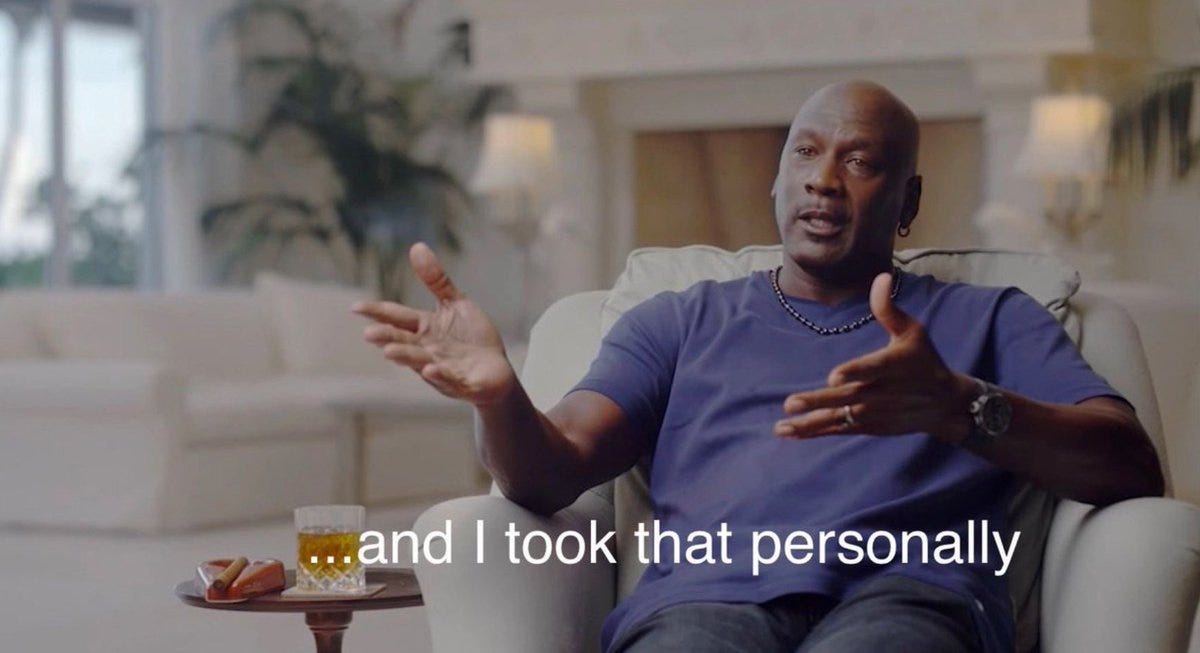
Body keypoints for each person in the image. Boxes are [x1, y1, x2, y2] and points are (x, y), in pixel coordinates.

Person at [353, 81, 1164, 653]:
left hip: (912, 597)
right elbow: (549, 472)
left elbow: (1131, 465)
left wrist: (963, 407)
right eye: (805, 152)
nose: (822, 179)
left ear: (909, 201)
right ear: (777, 180)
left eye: (860, 160)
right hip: (707, 597)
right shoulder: (677, 320)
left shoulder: (994, 317)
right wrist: (500, 399)